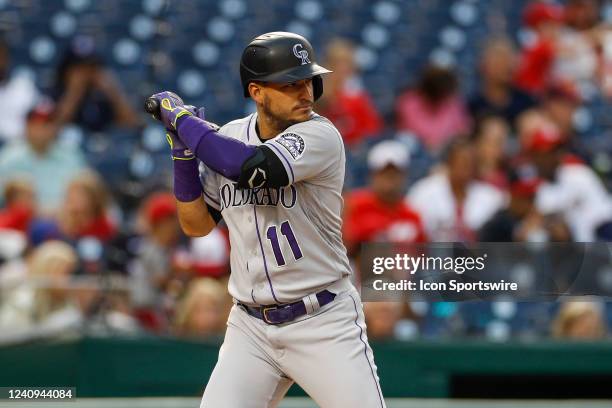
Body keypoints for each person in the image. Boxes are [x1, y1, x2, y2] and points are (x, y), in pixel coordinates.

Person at [147, 32, 385, 407]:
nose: (305, 92)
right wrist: (182, 156)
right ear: (257, 91)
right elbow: (196, 225)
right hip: (250, 327)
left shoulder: (320, 135)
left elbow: (251, 167)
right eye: (291, 84)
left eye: (308, 81)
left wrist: (184, 123)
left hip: (322, 319)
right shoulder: (229, 137)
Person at [408, 138, 506, 242]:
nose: (467, 167)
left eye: (471, 163)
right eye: (463, 161)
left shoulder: (491, 197)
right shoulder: (423, 192)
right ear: (449, 163)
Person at [0, 99, 86, 213]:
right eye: (35, 124)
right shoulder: (9, 157)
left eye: (46, 124)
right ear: (26, 127)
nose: (40, 130)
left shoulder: (71, 157)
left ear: (56, 127)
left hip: (66, 221)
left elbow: (86, 194)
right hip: (22, 221)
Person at [343, 139, 427, 257]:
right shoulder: (354, 205)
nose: (390, 180)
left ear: (404, 176)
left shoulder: (412, 214)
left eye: (395, 174)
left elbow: (422, 256)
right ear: (372, 176)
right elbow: (344, 249)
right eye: (384, 173)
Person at [316, 38, 383, 147]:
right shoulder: (317, 92)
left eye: (347, 64)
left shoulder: (357, 97)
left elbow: (372, 129)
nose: (343, 69)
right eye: (337, 64)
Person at [395, 64, 471, 153]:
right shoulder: (409, 102)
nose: (444, 99)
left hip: (448, 152)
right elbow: (409, 135)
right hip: (417, 152)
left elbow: (463, 131)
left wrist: (445, 143)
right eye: (440, 94)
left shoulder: (454, 102)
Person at [468, 38, 536, 126]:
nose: (507, 66)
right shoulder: (472, 107)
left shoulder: (527, 103)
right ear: (483, 66)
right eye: (499, 61)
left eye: (510, 60)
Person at [0, 37, 39, 143]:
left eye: (1, 56)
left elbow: (37, 123)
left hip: (18, 147)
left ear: (7, 59)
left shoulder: (23, 86)